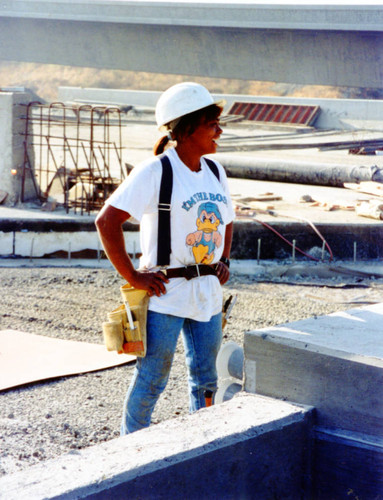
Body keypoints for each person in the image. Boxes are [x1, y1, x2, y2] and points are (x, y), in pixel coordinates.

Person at [95, 82, 234, 434]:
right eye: (211, 124)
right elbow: (107, 221)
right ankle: (132, 452)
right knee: (152, 380)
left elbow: (228, 219)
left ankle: (199, 445)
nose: (219, 131)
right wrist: (134, 277)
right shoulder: (155, 171)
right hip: (164, 296)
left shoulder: (216, 172)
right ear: (187, 128)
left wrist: (224, 261)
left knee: (205, 381)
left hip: (207, 295)